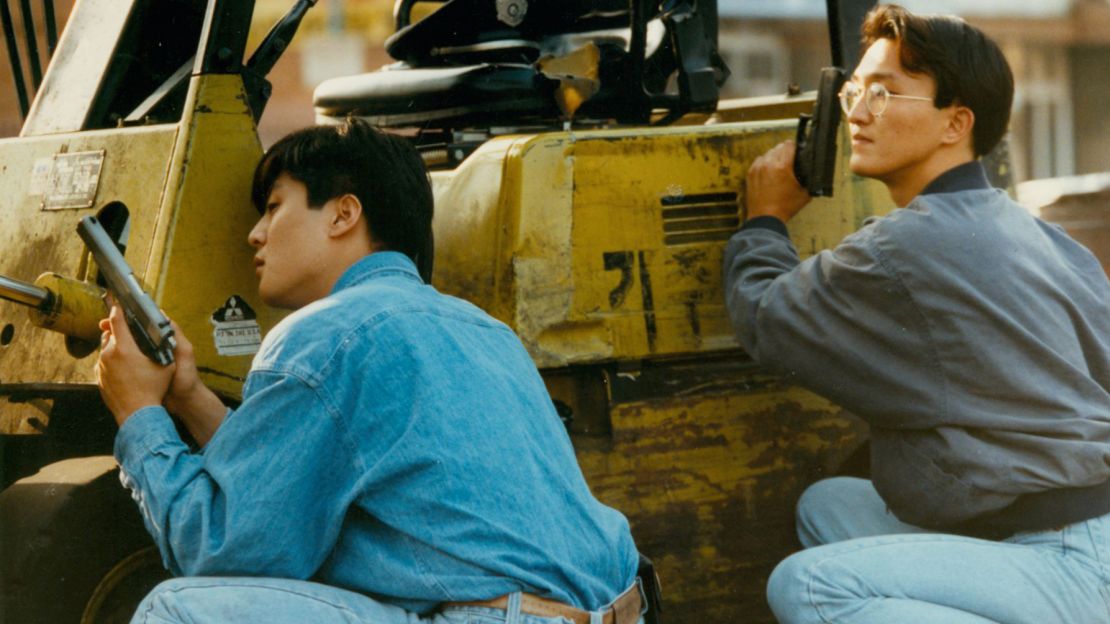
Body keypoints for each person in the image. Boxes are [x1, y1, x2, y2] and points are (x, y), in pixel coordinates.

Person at [96, 120, 644, 624]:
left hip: (498, 619)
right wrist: (190, 397)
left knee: (176, 611)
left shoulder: (324, 335)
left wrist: (139, 414)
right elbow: (293, 479)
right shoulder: (482, 328)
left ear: (343, 214)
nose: (255, 235)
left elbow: (224, 548)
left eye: (274, 207)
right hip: (612, 609)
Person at [723, 4, 1110, 623]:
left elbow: (766, 318)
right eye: (855, 90)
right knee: (828, 505)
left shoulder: (902, 246)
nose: (855, 112)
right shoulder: (1039, 234)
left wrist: (764, 220)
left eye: (884, 94)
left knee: (808, 587)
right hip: (1085, 532)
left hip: (1062, 560)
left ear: (955, 122)